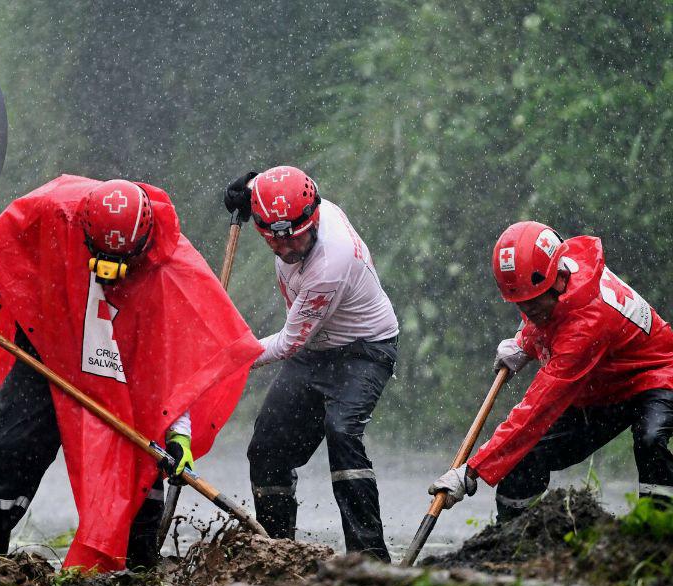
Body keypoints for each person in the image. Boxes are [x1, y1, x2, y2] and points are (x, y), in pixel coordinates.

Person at [0, 176, 262, 571]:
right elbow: (10, 240)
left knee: (141, 459)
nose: (111, 271)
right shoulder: (57, 208)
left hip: (123, 369)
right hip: (48, 342)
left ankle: (139, 568)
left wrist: (179, 434)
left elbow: (179, 368)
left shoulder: (171, 271)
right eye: (101, 258)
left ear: (143, 245)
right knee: (17, 444)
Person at [430, 221, 673, 519]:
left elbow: (537, 409)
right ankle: (512, 537)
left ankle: (659, 527)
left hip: (656, 375)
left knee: (650, 439)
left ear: (558, 279)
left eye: (533, 303)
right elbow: (551, 318)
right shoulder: (564, 269)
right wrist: (524, 342)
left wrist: (472, 471)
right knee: (523, 458)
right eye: (521, 305)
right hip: (600, 386)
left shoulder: (586, 326)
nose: (528, 311)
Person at [224, 166, 399, 561]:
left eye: (297, 238)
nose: (288, 249)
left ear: (314, 217)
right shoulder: (293, 203)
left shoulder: (329, 264)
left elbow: (288, 342)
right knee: (266, 448)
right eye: (276, 242)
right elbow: (270, 187)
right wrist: (247, 186)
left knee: (342, 432)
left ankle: (369, 559)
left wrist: (229, 360)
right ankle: (276, 552)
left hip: (365, 349)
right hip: (315, 351)